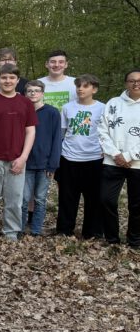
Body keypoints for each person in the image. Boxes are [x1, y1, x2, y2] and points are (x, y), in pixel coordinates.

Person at [0, 64, 37, 242]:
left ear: (18, 81)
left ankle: (11, 231)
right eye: (4, 77)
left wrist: (23, 157)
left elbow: (31, 131)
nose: (8, 81)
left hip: (17, 158)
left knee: (15, 199)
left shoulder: (25, 103)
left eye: (11, 78)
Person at [56, 74, 105, 239]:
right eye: (78, 86)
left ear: (94, 89)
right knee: (67, 197)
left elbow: (106, 133)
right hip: (69, 157)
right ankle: (64, 230)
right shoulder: (67, 107)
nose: (80, 89)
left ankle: (92, 232)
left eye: (85, 86)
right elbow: (62, 133)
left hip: (94, 158)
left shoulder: (102, 108)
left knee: (94, 198)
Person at [97, 69, 140, 250]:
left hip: (137, 163)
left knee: (137, 205)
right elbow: (102, 130)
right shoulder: (114, 103)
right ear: (125, 83)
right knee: (106, 199)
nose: (136, 84)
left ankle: (135, 240)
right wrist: (116, 154)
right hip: (112, 161)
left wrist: (129, 156)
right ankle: (112, 238)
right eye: (132, 80)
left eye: (139, 81)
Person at [20, 80, 62, 236]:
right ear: (25, 94)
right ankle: (20, 228)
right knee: (24, 199)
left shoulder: (52, 112)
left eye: (36, 90)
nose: (33, 93)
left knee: (40, 199)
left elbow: (57, 139)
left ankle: (36, 229)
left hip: (44, 164)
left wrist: (53, 165)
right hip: (25, 163)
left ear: (42, 93)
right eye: (29, 90)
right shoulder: (22, 111)